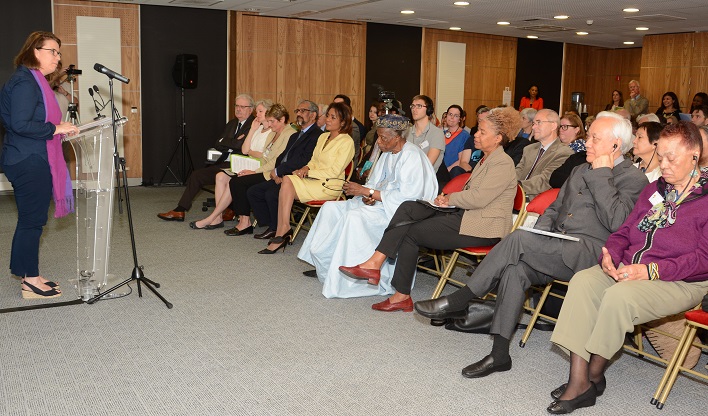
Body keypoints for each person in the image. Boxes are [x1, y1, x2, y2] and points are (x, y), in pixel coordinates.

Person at [414, 111, 648, 379]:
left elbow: (617, 222)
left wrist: (603, 173)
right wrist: (541, 236)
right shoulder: (579, 168)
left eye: (595, 138)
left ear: (615, 145)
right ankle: (499, 354)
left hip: (592, 254)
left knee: (517, 239)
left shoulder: (633, 179)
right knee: (516, 268)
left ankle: (461, 298)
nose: (587, 142)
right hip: (557, 247)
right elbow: (555, 208)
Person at [547, 121, 708, 414]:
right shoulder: (654, 190)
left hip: (681, 281)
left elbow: (703, 261)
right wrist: (610, 255)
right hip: (629, 267)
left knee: (619, 297)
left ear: (695, 155)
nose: (664, 165)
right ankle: (579, 379)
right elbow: (624, 231)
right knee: (584, 281)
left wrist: (649, 271)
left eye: (672, 158)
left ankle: (593, 376)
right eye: (661, 157)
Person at [338, 107, 522, 312]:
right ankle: (375, 265)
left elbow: (479, 198)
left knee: (411, 232)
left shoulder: (502, 163)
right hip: (466, 216)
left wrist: (450, 197)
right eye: (477, 130)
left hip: (483, 228)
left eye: (482, 132)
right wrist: (446, 199)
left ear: (498, 138)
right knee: (408, 207)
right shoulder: (486, 159)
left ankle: (394, 288)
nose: (476, 135)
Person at [298, 114, 438, 298]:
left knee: (353, 217)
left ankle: (351, 279)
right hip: (380, 204)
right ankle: (327, 266)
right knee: (330, 208)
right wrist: (367, 195)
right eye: (378, 136)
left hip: (397, 213)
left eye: (383, 138)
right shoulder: (387, 153)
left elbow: (408, 198)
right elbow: (374, 184)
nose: (378, 141)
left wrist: (369, 193)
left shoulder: (412, 156)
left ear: (397, 137)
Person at [0, 31, 80, 299]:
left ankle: (27, 272)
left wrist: (59, 130)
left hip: (33, 156)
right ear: (36, 51)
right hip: (28, 159)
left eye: (59, 52)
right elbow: (19, 124)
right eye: (53, 51)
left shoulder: (36, 82)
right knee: (32, 220)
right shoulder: (25, 82)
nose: (58, 57)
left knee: (33, 219)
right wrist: (56, 128)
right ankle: (30, 280)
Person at [257, 102, 355, 254]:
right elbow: (313, 161)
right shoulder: (323, 137)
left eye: (333, 117)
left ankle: (282, 232)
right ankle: (284, 228)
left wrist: (309, 173)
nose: (327, 119)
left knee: (287, 183)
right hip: (313, 180)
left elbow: (334, 172)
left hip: (329, 185)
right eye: (328, 115)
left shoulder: (346, 141)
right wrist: (305, 168)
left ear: (343, 122)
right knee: (288, 179)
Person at [189, 103, 296, 233]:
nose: (270, 124)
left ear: (282, 119)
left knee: (237, 181)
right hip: (262, 167)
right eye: (269, 121)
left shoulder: (289, 134)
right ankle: (241, 220)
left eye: (272, 121)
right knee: (233, 179)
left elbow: (274, 161)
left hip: (271, 172)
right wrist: (252, 167)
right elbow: (257, 154)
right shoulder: (272, 134)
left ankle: (241, 221)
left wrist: (254, 171)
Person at [157, 94, 255, 221]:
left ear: (250, 109)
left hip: (240, 165)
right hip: (223, 163)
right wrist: (232, 142)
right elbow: (218, 143)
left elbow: (240, 146)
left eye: (242, 106)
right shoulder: (232, 123)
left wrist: (228, 142)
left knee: (225, 179)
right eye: (236, 105)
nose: (238, 109)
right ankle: (180, 210)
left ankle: (231, 209)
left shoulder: (253, 125)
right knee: (197, 175)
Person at [247, 100, 321, 240]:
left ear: (313, 115)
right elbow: (282, 157)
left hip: (297, 177)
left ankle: (277, 228)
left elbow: (303, 161)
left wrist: (280, 172)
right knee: (254, 191)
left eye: (303, 111)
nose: (299, 114)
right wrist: (276, 172)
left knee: (270, 194)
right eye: (297, 111)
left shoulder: (316, 135)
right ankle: (272, 225)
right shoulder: (295, 135)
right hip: (282, 173)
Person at [516, 109, 573, 199]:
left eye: (539, 122)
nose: (533, 127)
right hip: (515, 196)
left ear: (553, 126)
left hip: (536, 202)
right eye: (534, 123)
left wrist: (514, 187)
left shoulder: (564, 153)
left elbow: (545, 180)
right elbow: (517, 172)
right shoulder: (529, 149)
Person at [405, 95, 445, 171]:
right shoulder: (406, 132)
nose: (414, 109)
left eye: (419, 106)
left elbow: (427, 164)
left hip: (425, 178)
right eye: (413, 106)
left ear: (428, 110)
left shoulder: (437, 133)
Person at [549, 113, 588, 188]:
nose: (560, 130)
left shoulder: (581, 150)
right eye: (560, 127)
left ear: (577, 129)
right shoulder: (556, 146)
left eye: (565, 127)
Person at [442, 105, 471, 178]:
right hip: (439, 172)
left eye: (456, 116)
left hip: (452, 174)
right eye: (450, 114)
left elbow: (461, 160)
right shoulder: (441, 133)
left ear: (460, 119)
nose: (452, 118)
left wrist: (446, 171)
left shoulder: (464, 136)